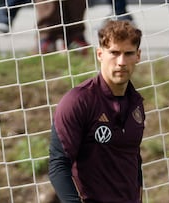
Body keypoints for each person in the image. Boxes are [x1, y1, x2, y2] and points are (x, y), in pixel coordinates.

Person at [49, 20, 145, 202]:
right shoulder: (77, 101)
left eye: (128, 53)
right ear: (100, 54)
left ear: (138, 56)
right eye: (114, 53)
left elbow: (134, 159)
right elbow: (58, 165)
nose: (121, 62)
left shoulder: (136, 103)